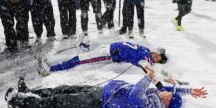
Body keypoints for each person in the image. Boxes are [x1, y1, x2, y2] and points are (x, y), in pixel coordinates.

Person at [5, 75, 207, 108]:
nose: (167, 89)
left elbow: (137, 95)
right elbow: (171, 90)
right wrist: (189, 90)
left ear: (167, 101)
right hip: (103, 92)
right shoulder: (160, 96)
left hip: (100, 105)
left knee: (58, 102)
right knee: (64, 88)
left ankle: (18, 101)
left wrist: (149, 78)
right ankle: (29, 91)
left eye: (169, 93)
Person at [39, 42, 167, 77]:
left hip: (107, 54)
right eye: (157, 55)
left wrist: (165, 76)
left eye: (157, 59)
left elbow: (148, 68)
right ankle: (84, 46)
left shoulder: (145, 59)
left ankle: (49, 69)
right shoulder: (147, 50)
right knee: (84, 52)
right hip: (109, 47)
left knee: (78, 60)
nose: (155, 56)